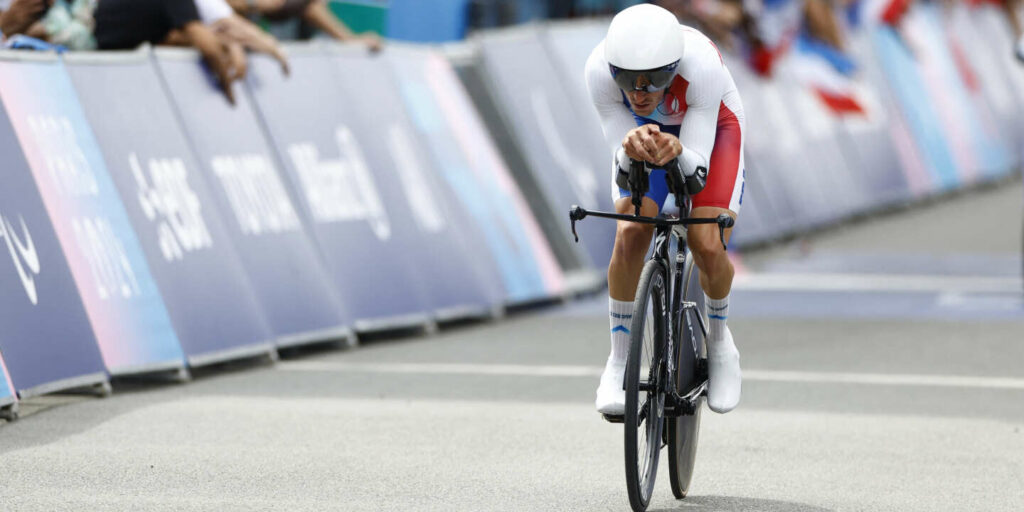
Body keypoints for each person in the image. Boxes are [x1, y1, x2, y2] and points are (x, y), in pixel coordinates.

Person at [586, 3, 745, 415]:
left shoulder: (703, 66)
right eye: (628, 81)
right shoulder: (597, 71)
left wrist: (679, 152)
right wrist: (633, 146)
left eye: (654, 81)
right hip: (643, 137)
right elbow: (623, 160)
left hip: (711, 126)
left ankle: (721, 344)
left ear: (673, 68)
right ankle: (619, 360)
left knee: (706, 241)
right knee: (631, 232)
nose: (639, 93)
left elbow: (694, 171)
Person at [93, 0, 241, 103]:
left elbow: (171, 38)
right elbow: (209, 49)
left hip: (106, 70)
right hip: (118, 76)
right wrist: (227, 85)